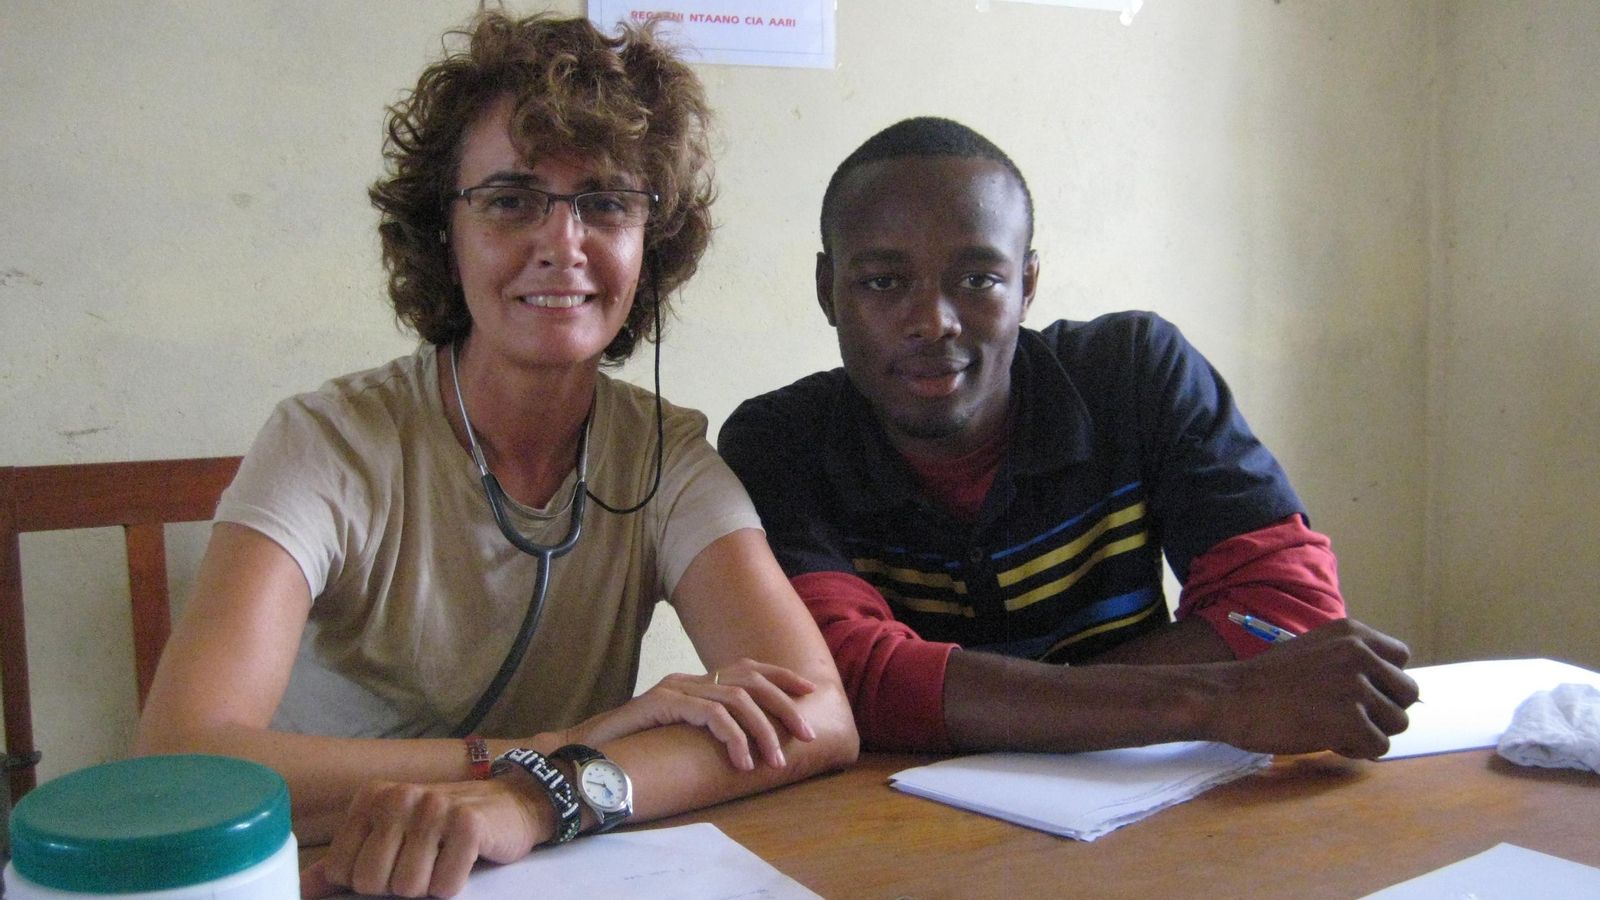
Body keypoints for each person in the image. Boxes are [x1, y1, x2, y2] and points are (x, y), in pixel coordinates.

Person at [135, 13, 856, 898]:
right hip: (336, 873)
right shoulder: (327, 443)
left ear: (650, 241)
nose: (563, 242)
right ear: (443, 230)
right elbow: (182, 758)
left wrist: (539, 802)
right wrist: (556, 750)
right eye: (512, 200)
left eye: (605, 201)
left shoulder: (666, 458)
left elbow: (818, 717)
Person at [718, 116, 1418, 759]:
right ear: (826, 289)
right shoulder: (781, 444)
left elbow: (1286, 609)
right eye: (882, 281)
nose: (933, 320)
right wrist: (1215, 698)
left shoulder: (1133, 374)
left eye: (978, 278)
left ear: (1027, 286)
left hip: (1154, 808)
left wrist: (999, 709)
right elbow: (838, 682)